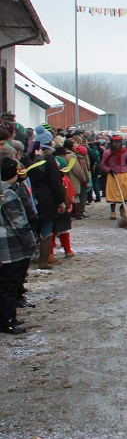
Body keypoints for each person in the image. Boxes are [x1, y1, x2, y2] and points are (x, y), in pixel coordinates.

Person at [1, 158, 36, 334]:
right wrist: (31, 243)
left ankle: (7, 318)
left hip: (6, 246)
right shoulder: (7, 194)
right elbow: (19, 222)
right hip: (11, 246)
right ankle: (7, 321)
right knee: (9, 285)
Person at [21, 139, 65, 269]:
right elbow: (55, 182)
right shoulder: (49, 160)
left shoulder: (25, 158)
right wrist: (60, 201)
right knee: (46, 226)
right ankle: (43, 260)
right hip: (47, 198)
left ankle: (33, 259)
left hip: (30, 195)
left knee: (34, 226)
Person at [100, 135, 127, 220]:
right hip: (113, 176)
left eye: (118, 143)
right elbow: (102, 165)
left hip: (124, 175)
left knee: (125, 193)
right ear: (111, 143)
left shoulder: (126, 152)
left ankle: (123, 207)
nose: (116, 145)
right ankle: (113, 211)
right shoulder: (107, 153)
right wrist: (109, 170)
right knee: (113, 194)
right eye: (114, 143)